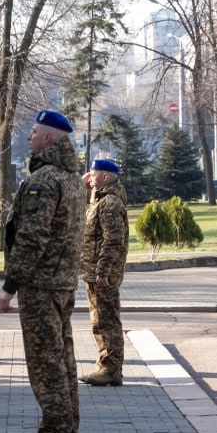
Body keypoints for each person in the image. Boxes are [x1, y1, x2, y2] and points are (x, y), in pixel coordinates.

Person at [0, 109, 84, 433]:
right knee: (63, 362)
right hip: (62, 282)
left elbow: (32, 237)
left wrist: (10, 285)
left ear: (48, 139)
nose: (29, 137)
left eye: (33, 132)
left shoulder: (44, 180)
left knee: (46, 365)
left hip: (40, 283)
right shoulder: (72, 179)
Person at [80, 158, 129, 387]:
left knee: (106, 321)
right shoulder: (100, 199)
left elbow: (113, 241)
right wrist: (86, 188)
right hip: (95, 272)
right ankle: (107, 366)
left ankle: (110, 369)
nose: (89, 176)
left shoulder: (109, 203)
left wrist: (103, 272)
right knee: (100, 321)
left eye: (93, 173)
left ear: (106, 177)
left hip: (102, 275)